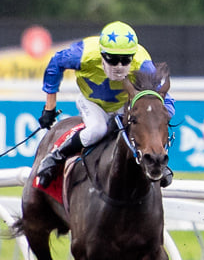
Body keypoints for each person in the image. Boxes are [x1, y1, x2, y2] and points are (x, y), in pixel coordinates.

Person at [31, 22, 175, 188]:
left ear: (133, 55)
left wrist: (157, 118)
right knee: (97, 130)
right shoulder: (83, 54)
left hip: (124, 105)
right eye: (112, 59)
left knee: (139, 128)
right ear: (102, 54)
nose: (119, 66)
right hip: (92, 102)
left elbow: (165, 101)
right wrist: (49, 108)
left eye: (125, 60)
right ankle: (56, 156)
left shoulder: (143, 63)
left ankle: (157, 162)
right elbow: (55, 64)